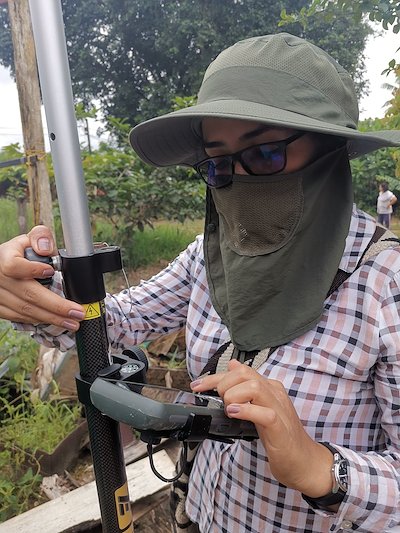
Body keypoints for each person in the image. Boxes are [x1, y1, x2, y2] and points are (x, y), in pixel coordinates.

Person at [0, 33, 400, 533]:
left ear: (329, 149)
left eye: (266, 153)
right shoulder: (210, 255)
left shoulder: (386, 284)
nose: (239, 181)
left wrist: (321, 467)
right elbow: (118, 322)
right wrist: (37, 289)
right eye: (217, 164)